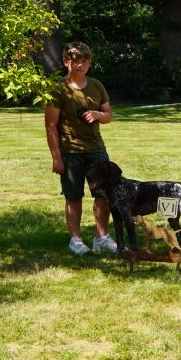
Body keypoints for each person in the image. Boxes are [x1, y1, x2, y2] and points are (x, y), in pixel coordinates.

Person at [44, 42, 118, 255]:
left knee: (103, 194)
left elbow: (109, 116)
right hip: (70, 152)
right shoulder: (58, 89)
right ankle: (75, 240)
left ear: (89, 63)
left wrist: (98, 114)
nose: (79, 65)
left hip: (96, 150)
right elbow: (50, 125)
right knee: (73, 196)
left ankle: (101, 237)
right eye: (75, 60)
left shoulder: (97, 85)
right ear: (66, 62)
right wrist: (56, 157)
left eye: (84, 61)